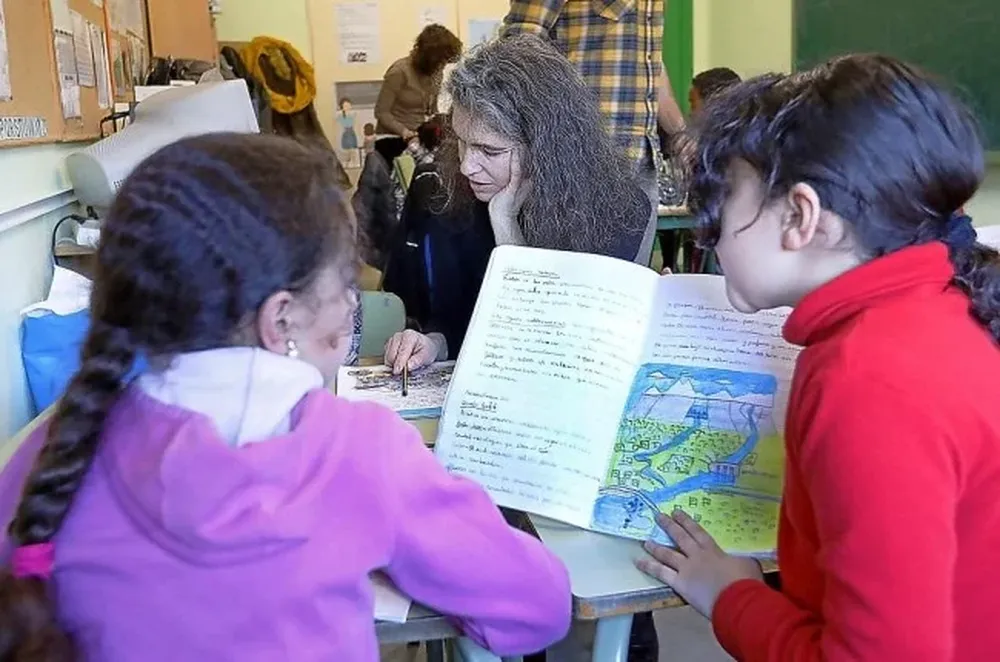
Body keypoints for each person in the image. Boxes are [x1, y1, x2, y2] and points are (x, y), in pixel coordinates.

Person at [0, 133, 572, 661]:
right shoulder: (360, 450)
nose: (353, 304)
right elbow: (539, 608)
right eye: (344, 282)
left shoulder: (58, 447)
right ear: (281, 319)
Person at [636, 54, 1000, 661]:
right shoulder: (940, 308)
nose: (710, 238)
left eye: (718, 210)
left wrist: (733, 597)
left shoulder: (865, 379)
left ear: (802, 217)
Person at [383, 34, 649, 374]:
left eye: (490, 151)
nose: (466, 166)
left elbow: (555, 346)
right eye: (462, 142)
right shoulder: (447, 194)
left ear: (548, 148)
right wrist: (433, 343)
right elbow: (461, 320)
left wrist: (506, 225)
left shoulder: (619, 210)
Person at [502, 0, 686, 266]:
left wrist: (682, 135)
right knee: (573, 293)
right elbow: (515, 51)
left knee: (628, 295)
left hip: (642, 160)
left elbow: (651, 65)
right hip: (577, 166)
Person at [375, 24, 462, 152]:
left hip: (419, 135)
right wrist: (405, 132)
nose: (443, 66)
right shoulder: (399, 71)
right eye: (440, 61)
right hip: (393, 138)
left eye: (445, 61)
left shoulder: (436, 72)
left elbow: (431, 111)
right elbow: (381, 112)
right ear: (429, 57)